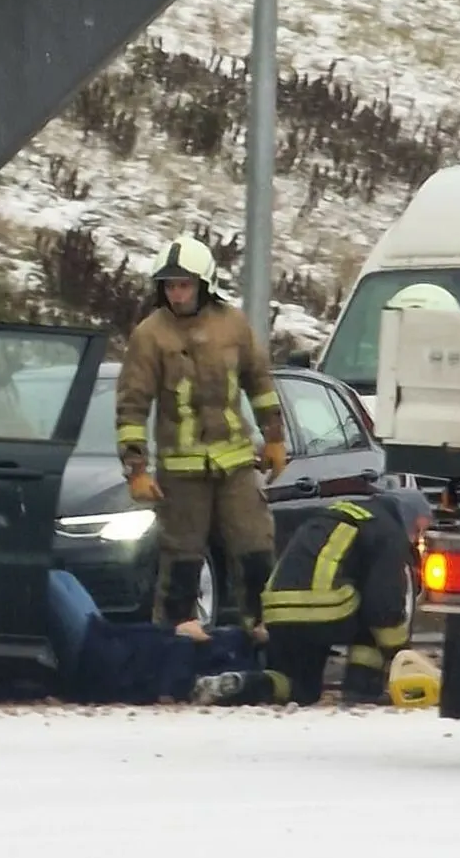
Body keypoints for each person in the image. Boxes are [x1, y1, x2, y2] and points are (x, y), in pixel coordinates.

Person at [115, 236, 286, 629]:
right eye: (170, 285)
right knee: (181, 560)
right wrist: (136, 469)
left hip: (236, 464)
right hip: (181, 472)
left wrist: (273, 437)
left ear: (204, 284)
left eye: (184, 285)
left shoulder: (233, 325)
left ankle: (263, 631)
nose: (176, 293)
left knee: (255, 547)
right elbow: (132, 405)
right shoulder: (150, 335)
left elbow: (259, 381)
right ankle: (177, 637)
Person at [192, 492, 429, 708]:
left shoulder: (342, 512)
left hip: (278, 610)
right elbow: (383, 606)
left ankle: (238, 684)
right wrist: (400, 653)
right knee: (376, 622)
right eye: (419, 529)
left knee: (298, 687)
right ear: (407, 515)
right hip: (324, 607)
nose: (417, 538)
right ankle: (361, 691)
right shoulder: (389, 533)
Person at [46, 569, 258, 704]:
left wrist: (178, 635)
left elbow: (172, 678)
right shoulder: (239, 642)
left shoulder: (238, 661)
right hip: (104, 634)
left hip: (94, 655)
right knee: (63, 576)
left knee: (43, 579)